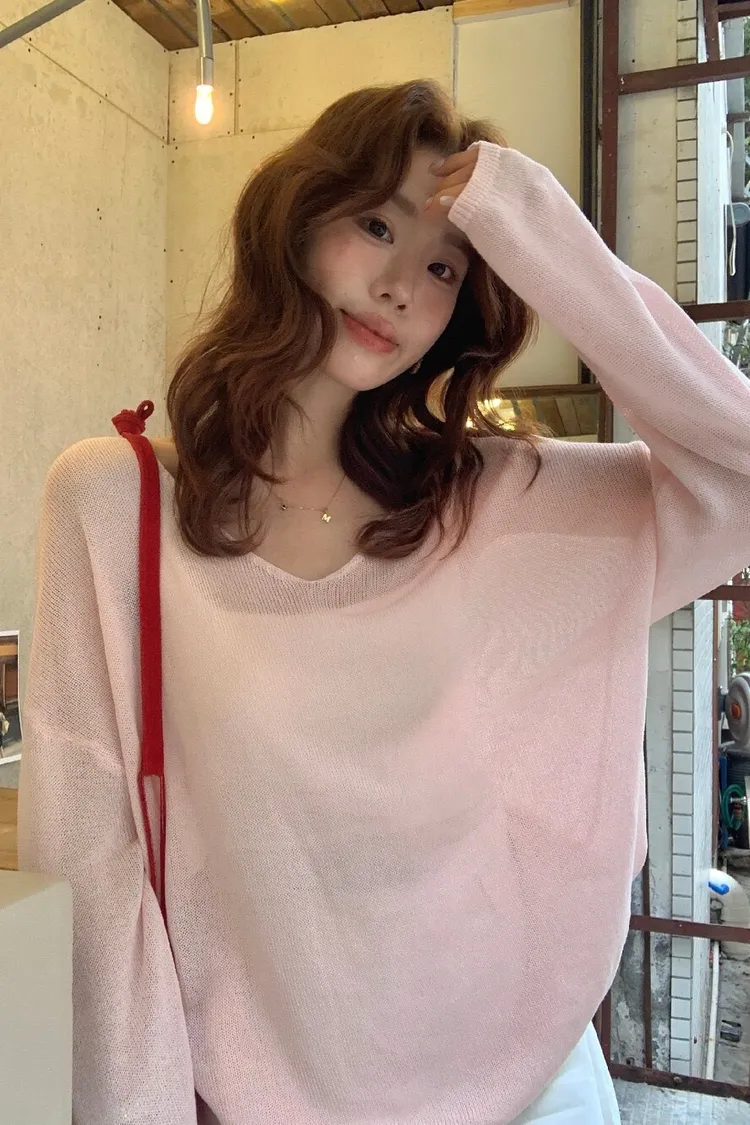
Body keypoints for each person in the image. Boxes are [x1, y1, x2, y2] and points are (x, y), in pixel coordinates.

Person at [16, 79, 750, 1125]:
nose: (404, 287)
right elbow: (93, 869)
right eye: (376, 225)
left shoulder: (483, 502)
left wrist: (537, 227)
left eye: (446, 265)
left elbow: (738, 476)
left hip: (523, 1084)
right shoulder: (113, 500)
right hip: (262, 1095)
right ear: (297, 217)